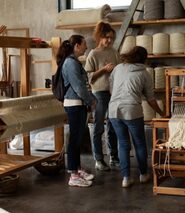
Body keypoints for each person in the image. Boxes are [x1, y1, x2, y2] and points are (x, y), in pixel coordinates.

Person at [109, 46, 165, 188]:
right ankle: (143, 174)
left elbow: (111, 86)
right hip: (132, 110)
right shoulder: (145, 73)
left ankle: (126, 178)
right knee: (139, 143)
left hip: (114, 109)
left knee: (123, 143)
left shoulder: (118, 68)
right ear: (144, 59)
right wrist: (162, 113)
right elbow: (151, 99)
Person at [57, 35, 96, 187]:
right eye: (84, 44)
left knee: (77, 139)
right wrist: (91, 100)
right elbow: (79, 87)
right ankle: (73, 175)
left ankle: (77, 170)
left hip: (78, 104)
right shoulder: (70, 63)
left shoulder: (73, 62)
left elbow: (82, 85)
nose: (86, 47)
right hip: (74, 104)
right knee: (74, 140)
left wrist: (89, 99)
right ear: (77, 46)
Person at [85, 21, 120, 171]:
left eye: (112, 38)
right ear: (100, 37)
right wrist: (103, 70)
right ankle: (99, 159)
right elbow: (88, 76)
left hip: (113, 93)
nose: (109, 41)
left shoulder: (114, 52)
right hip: (98, 93)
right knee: (98, 127)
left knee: (113, 126)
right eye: (107, 37)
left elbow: (119, 71)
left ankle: (113, 157)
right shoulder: (93, 53)